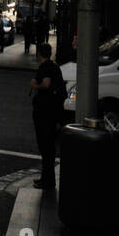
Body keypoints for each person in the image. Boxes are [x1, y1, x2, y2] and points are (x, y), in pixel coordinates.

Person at [30, 43, 66, 190]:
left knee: (45, 147)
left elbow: (45, 84)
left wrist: (34, 85)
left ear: (39, 54)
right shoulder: (55, 67)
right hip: (52, 112)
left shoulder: (45, 68)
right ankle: (46, 178)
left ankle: (47, 180)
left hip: (44, 113)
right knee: (48, 148)